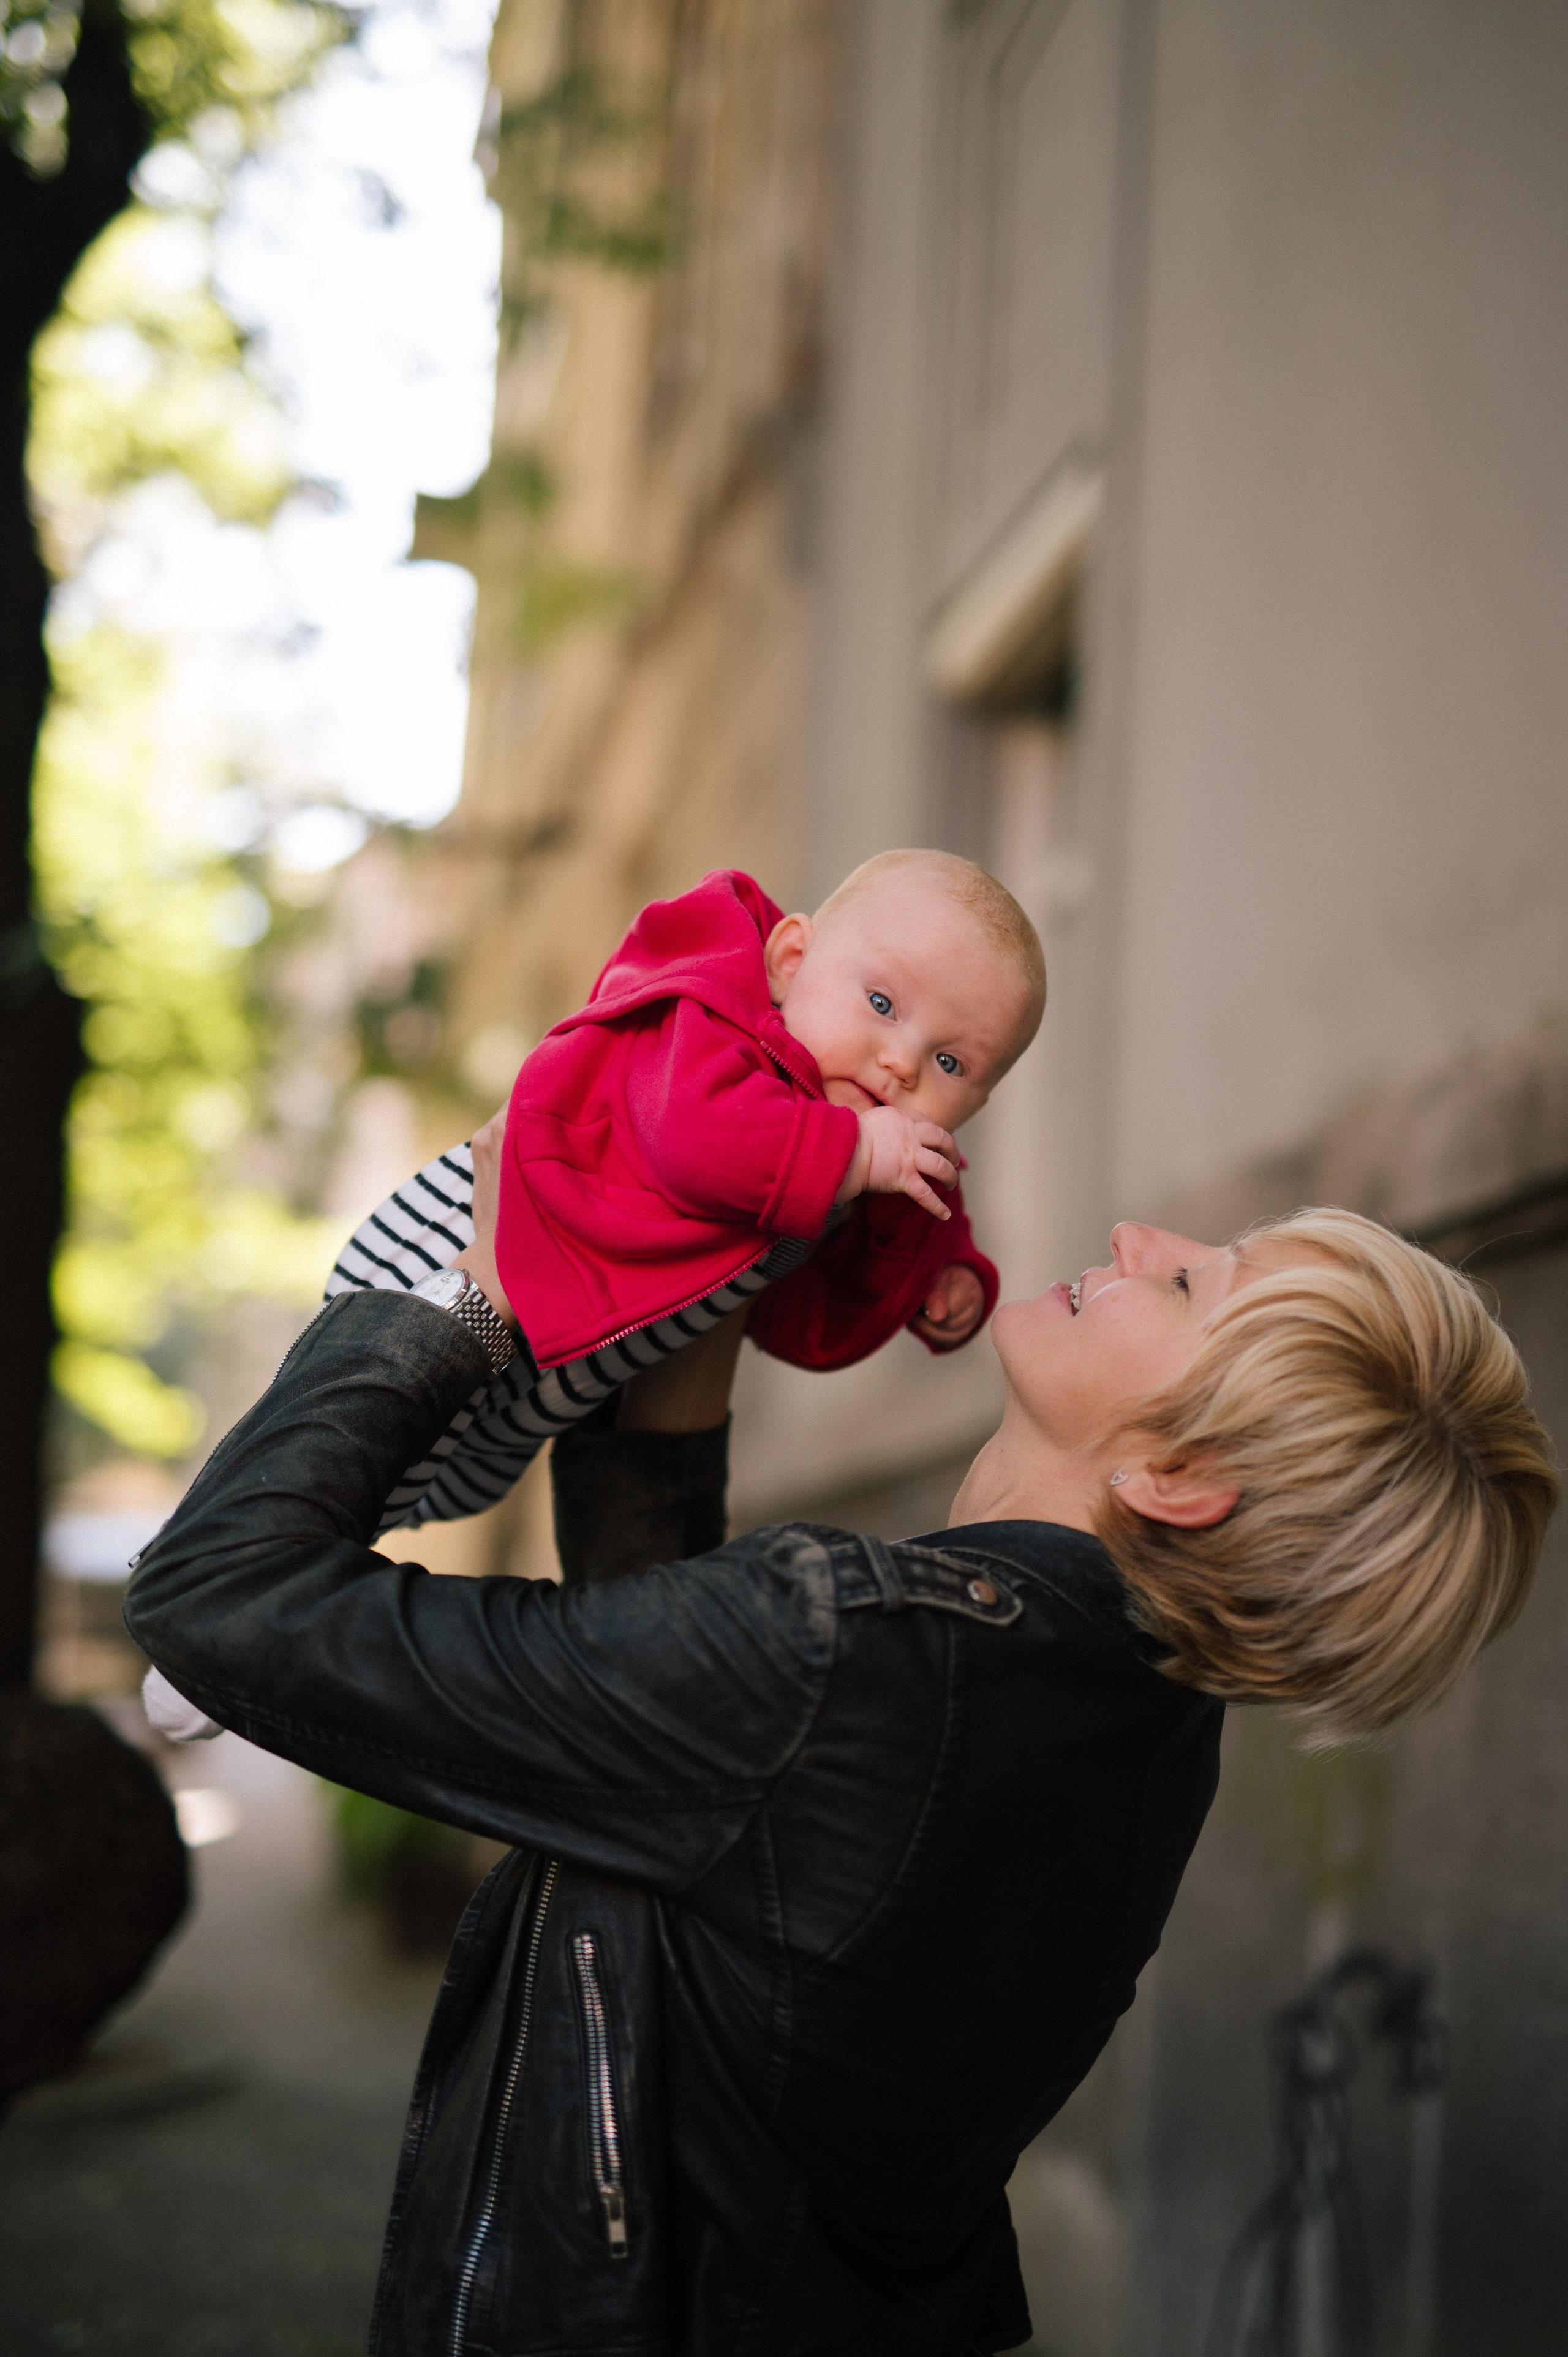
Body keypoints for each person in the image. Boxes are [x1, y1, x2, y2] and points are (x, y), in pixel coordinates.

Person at [124, 1120, 1557, 2356]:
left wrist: (473, 1294)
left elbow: (216, 1599)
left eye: (1185, 1281)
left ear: (1172, 1476)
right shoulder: (1134, 1716)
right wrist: (689, 1364)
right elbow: (674, 1781)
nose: (1137, 1232)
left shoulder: (849, 1653)